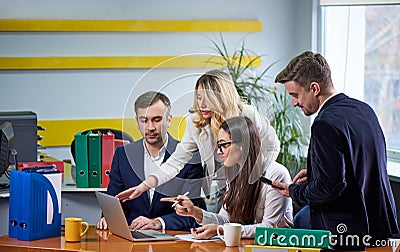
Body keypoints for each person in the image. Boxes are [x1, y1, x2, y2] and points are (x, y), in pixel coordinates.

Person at [273, 51, 399, 250]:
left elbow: (329, 189)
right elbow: (361, 162)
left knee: (296, 222)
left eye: (295, 95)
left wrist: (293, 191)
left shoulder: (324, 124)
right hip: (380, 225)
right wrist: (316, 172)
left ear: (314, 88)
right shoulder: (365, 110)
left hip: (347, 233)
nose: (294, 103)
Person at [116, 69, 280, 209]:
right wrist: (145, 185)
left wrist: (253, 177)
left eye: (207, 98)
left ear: (221, 97)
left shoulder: (247, 114)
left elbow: (272, 147)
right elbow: (176, 162)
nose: (201, 104)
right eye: (199, 97)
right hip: (223, 187)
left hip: (255, 183)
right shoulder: (195, 123)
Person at [162, 116, 292, 239]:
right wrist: (194, 212)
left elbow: (270, 228)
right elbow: (225, 220)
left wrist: (222, 230)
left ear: (242, 145)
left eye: (223, 145)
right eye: (218, 146)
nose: (219, 152)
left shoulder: (276, 174)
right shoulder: (235, 175)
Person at [97, 91, 206, 231]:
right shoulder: (122, 155)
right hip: (132, 237)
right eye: (144, 120)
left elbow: (193, 212)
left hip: (172, 240)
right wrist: (108, 217)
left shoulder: (190, 155)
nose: (150, 128)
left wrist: (157, 222)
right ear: (137, 121)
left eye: (157, 119)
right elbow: (114, 202)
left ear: (169, 119)